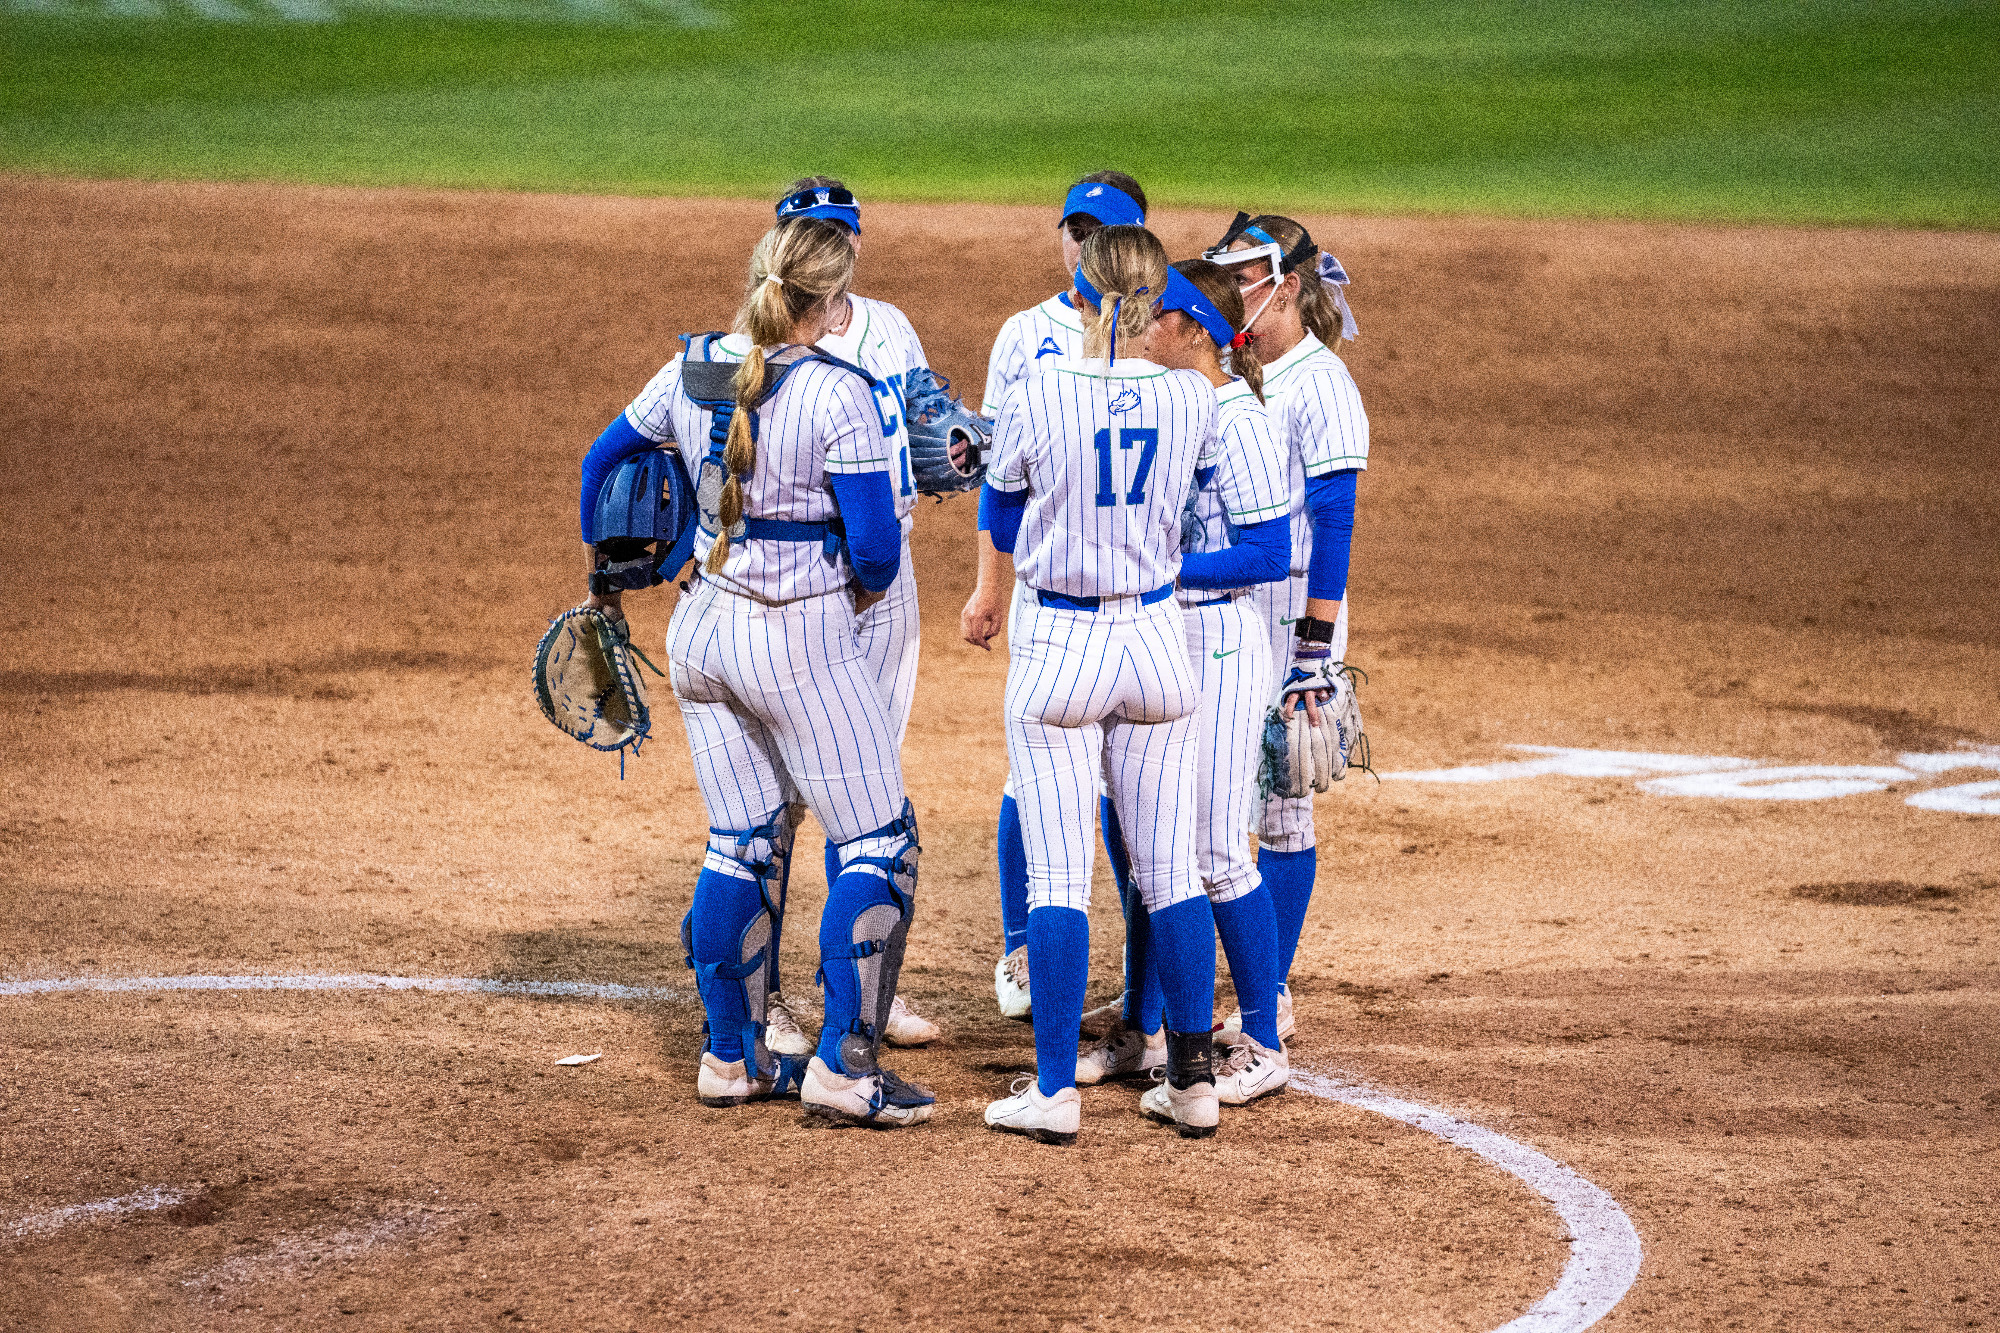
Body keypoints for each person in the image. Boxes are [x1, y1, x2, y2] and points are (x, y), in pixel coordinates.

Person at [578, 216, 933, 1128]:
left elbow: (602, 463)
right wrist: (850, 599)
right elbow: (881, 551)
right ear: (834, 298)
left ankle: (730, 1058)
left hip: (702, 633)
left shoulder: (694, 366)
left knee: (739, 838)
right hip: (796, 637)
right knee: (878, 840)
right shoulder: (839, 393)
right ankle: (846, 1069)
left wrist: (619, 576)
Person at [962, 224, 1225, 1144]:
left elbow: (999, 504)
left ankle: (1052, 1093)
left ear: (1083, 290)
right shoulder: (1193, 398)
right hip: (1156, 639)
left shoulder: (1040, 389)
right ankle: (1194, 1083)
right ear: (1156, 301)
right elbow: (1194, 507)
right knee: (1171, 871)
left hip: (1063, 642)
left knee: (1060, 879)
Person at [694, 177, 943, 1052]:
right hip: (815, 590)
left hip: (861, 590)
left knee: (858, 780)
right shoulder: (745, 344)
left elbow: (925, 440)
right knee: (807, 809)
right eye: (812, 229)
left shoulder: (890, 326)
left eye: (839, 229)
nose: (830, 242)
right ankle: (790, 1012)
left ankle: (854, 994)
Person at [1076, 259, 1294, 1107]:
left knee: (1212, 850)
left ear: (1195, 329)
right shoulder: (1179, 407)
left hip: (1222, 639)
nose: (1142, 322)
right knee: (1143, 846)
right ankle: (1144, 1028)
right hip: (1169, 633)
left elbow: (1268, 553)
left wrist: (1161, 569)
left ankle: (1264, 1039)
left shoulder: (1235, 419)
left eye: (1158, 313)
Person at [977, 170, 1150, 1021]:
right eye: (1074, 229)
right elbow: (995, 482)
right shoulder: (1023, 335)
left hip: (1143, 594)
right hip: (1052, 590)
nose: (1082, 246)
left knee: (1136, 793)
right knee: (1032, 777)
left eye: (1101, 231)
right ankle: (1020, 945)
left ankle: (1139, 977)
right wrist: (989, 587)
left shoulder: (1165, 336)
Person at [1204, 213, 1369, 1042]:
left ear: (1290, 287)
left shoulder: (1319, 380)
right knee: (1224, 806)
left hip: (1295, 616)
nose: (1234, 294)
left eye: (1246, 279)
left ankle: (1270, 992)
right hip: (1239, 611)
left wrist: (1313, 649)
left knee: (1282, 812)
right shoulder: (1244, 377)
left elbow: (1334, 521)